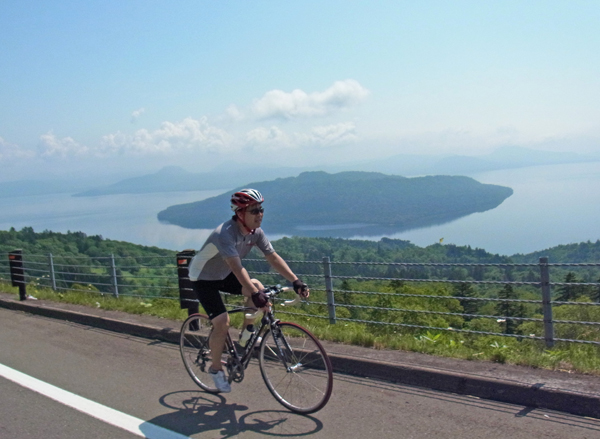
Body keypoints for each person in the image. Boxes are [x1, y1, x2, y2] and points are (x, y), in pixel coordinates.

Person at [187, 188, 310, 393]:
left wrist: (296, 280)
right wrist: (253, 293)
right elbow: (236, 267)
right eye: (254, 210)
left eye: (261, 209)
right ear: (240, 213)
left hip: (224, 274)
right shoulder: (224, 234)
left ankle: (246, 334)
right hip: (203, 277)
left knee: (259, 287)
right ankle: (216, 370)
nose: (259, 214)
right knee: (222, 323)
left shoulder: (256, 233)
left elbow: (272, 258)